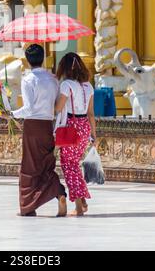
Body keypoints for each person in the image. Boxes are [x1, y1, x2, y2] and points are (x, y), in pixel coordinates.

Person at [12, 44, 67, 217]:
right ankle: (58, 192)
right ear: (43, 58)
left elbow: (28, 108)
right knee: (45, 163)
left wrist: (11, 114)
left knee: (29, 166)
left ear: (27, 61)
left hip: (33, 125)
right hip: (47, 125)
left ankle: (28, 206)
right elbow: (57, 106)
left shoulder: (28, 79)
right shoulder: (53, 79)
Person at [55, 52, 97, 216]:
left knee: (69, 166)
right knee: (74, 164)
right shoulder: (89, 86)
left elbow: (58, 108)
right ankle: (83, 201)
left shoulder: (67, 85)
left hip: (71, 126)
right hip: (84, 126)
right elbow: (91, 113)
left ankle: (79, 207)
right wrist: (94, 135)